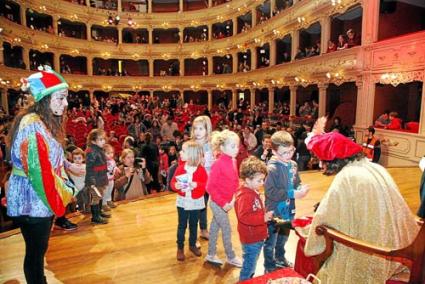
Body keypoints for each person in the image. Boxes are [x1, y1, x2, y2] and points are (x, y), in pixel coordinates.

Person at [303, 120, 420, 284]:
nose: (319, 163)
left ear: (331, 160)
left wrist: (311, 233)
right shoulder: (373, 167)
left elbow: (325, 219)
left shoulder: (347, 177)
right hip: (394, 241)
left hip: (369, 250)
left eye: (320, 159)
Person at [6, 67, 76, 283]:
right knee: (36, 254)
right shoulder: (33, 125)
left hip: (32, 197)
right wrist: (66, 192)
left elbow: (45, 157)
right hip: (33, 200)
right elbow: (40, 173)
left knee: (36, 252)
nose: (65, 104)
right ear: (45, 99)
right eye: (61, 98)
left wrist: (67, 165)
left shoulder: (38, 121)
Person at [263, 131, 310, 273]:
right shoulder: (271, 169)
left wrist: (301, 188)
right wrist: (292, 193)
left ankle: (280, 257)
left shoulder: (293, 165)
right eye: (284, 153)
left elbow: (297, 182)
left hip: (290, 209)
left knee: (284, 237)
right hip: (274, 211)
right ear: (275, 151)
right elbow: (270, 192)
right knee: (270, 241)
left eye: (291, 150)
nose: (289, 155)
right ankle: (269, 266)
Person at [204, 130, 242, 267]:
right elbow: (210, 187)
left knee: (215, 227)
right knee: (226, 229)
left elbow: (235, 181)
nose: (236, 149)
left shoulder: (233, 160)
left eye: (237, 146)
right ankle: (231, 256)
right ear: (222, 148)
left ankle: (210, 254)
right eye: (233, 146)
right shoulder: (218, 164)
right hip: (217, 203)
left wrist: (235, 196)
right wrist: (223, 203)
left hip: (227, 202)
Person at [235, 156, 273, 281]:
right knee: (249, 266)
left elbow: (253, 210)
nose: (262, 183)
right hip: (252, 238)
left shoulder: (251, 190)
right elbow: (244, 216)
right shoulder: (246, 195)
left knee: (251, 262)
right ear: (247, 180)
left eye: (263, 179)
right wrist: (263, 218)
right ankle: (244, 281)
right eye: (259, 180)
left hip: (256, 236)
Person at [171, 141, 208, 261]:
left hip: (195, 202)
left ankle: (192, 244)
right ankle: (180, 247)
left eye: (183, 151)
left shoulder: (201, 170)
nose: (180, 152)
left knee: (193, 225)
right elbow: (172, 183)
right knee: (182, 225)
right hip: (182, 201)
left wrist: (196, 185)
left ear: (191, 154)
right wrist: (175, 186)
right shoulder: (181, 168)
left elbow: (206, 185)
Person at [191, 116, 214, 241]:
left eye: (201, 128)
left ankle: (203, 229)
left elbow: (213, 163)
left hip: (207, 181)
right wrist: (197, 162)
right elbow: (185, 163)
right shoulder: (191, 145)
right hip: (195, 181)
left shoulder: (210, 145)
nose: (197, 131)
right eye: (195, 128)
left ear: (207, 129)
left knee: (203, 206)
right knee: (195, 207)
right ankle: (194, 234)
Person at [85, 129, 110, 224]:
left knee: (100, 195)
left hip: (101, 177)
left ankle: (99, 212)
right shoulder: (91, 151)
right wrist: (92, 181)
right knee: (96, 197)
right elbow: (89, 168)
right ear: (93, 141)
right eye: (100, 139)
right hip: (95, 179)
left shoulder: (99, 149)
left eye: (103, 139)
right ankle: (95, 217)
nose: (103, 141)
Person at [103, 144, 118, 210]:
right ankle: (104, 204)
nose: (111, 155)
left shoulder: (113, 161)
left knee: (110, 190)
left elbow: (114, 167)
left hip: (111, 178)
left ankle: (109, 200)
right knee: (105, 191)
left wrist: (116, 169)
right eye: (108, 153)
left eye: (112, 153)